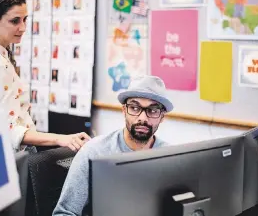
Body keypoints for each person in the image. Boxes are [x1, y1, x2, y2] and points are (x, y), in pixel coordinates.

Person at [53, 75, 173, 216]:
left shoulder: (170, 158)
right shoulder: (94, 152)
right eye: (134, 108)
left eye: (152, 110)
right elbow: (63, 213)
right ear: (124, 111)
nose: (142, 118)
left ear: (162, 117)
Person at [0, 0, 90, 152]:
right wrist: (61, 139)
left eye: (25, 20)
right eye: (15, 21)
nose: (23, 27)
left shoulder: (4, 56)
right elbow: (9, 130)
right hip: (1, 159)